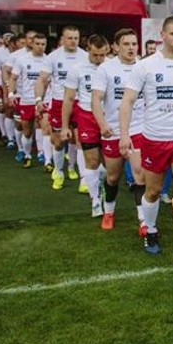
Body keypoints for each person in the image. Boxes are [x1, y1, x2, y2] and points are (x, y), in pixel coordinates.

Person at [119, 17, 173, 268]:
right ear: (163, 35)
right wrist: (124, 135)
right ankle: (150, 231)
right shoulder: (145, 66)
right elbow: (127, 102)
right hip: (154, 139)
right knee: (153, 191)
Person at [92, 28, 147, 232]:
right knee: (113, 177)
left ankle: (143, 221)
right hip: (113, 131)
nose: (131, 48)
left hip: (138, 128)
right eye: (126, 44)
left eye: (134, 44)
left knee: (140, 175)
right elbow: (96, 99)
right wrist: (102, 124)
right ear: (115, 47)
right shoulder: (105, 69)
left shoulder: (143, 67)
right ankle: (109, 211)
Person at [62, 34, 109, 217]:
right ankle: (95, 200)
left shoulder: (111, 66)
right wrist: (65, 126)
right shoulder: (77, 69)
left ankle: (101, 186)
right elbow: (68, 98)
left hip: (109, 118)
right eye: (95, 55)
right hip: (87, 117)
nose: (99, 59)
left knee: (109, 166)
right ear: (88, 50)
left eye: (102, 55)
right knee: (91, 160)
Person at [38, 26, 85, 191]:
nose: (73, 41)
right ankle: (58, 172)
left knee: (79, 140)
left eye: (76, 38)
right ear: (63, 39)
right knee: (58, 141)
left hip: (80, 103)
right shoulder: (53, 57)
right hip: (59, 102)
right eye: (70, 38)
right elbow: (42, 80)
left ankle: (79, 175)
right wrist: (39, 99)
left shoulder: (85, 56)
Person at [8, 32, 49, 169]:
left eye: (43, 44)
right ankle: (27, 154)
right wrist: (10, 94)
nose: (40, 47)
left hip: (43, 101)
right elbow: (13, 78)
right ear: (31, 44)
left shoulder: (49, 60)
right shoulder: (22, 59)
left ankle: (44, 156)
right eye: (37, 43)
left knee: (44, 128)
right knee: (27, 131)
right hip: (26, 100)